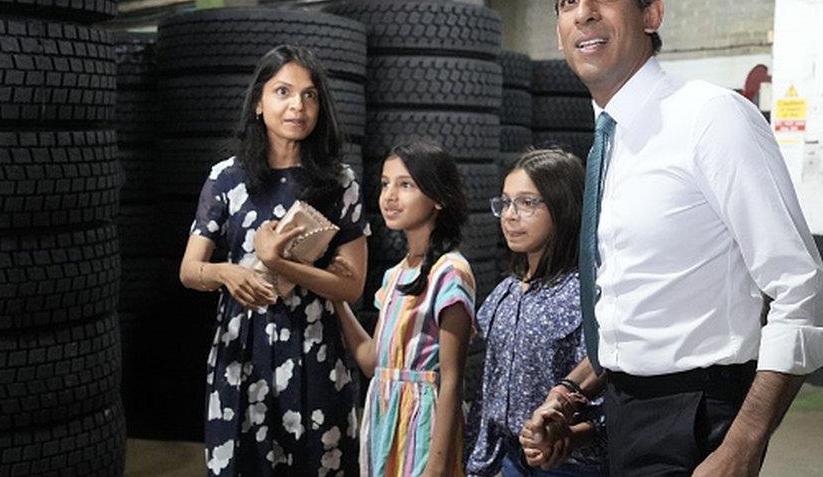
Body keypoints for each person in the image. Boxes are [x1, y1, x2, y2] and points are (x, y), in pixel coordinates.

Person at [520, 0, 823, 476]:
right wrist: (572, 393)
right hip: (623, 412)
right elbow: (638, 308)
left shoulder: (711, 119)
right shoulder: (610, 140)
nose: (585, 12)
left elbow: (802, 289)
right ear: (558, 31)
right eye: (568, 0)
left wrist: (744, 443)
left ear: (652, 13)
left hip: (698, 416)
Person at [179, 45, 368, 476]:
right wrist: (226, 272)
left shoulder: (339, 183)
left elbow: (352, 285)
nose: (297, 106)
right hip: (241, 350)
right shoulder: (225, 178)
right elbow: (190, 271)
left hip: (316, 346)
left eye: (309, 95)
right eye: (282, 92)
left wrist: (277, 262)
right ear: (259, 103)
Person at [331, 140, 475, 476]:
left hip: (425, 426)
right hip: (384, 420)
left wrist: (435, 467)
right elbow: (371, 361)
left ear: (438, 197)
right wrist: (336, 298)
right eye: (385, 184)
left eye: (405, 184)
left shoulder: (450, 272)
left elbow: (453, 379)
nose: (389, 196)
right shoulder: (395, 276)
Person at [466, 148, 607, 477]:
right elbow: (489, 390)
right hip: (507, 459)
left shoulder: (585, 294)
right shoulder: (508, 291)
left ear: (563, 207)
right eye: (505, 202)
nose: (510, 216)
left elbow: (606, 397)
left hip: (569, 464)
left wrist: (568, 437)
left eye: (527, 203)